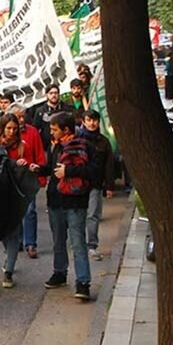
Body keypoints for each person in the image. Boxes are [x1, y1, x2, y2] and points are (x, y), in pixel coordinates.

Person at [29, 111, 95, 301]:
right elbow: (52, 168)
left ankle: (83, 282)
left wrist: (69, 170)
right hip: (56, 200)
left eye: (54, 129)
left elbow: (93, 172)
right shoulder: (56, 147)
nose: (51, 133)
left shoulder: (85, 146)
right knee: (58, 240)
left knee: (77, 242)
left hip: (75, 202)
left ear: (66, 129)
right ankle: (60, 272)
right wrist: (38, 169)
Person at [0, 114, 41, 289]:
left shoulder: (21, 147)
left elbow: (28, 170)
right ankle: (9, 258)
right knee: (1, 231)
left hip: (15, 194)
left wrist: (23, 165)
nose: (11, 132)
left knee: (14, 232)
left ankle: (9, 270)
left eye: (14, 129)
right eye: (8, 128)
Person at [7, 103, 46, 259]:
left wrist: (41, 175)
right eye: (18, 116)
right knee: (15, 210)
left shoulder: (32, 132)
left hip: (29, 177)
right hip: (12, 178)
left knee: (30, 211)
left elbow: (39, 153)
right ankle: (18, 241)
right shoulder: (6, 133)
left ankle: (31, 243)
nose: (21, 119)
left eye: (23, 115)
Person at [78, 109, 114, 261]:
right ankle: (78, 243)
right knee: (78, 215)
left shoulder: (104, 141)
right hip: (78, 182)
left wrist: (109, 186)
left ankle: (92, 245)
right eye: (89, 120)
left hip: (95, 183)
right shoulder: (77, 139)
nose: (92, 123)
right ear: (83, 122)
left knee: (93, 215)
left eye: (95, 120)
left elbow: (109, 164)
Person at [32, 84, 74, 150]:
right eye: (51, 93)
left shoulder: (67, 108)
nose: (54, 95)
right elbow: (35, 129)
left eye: (56, 93)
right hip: (47, 146)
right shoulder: (40, 111)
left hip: (66, 144)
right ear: (46, 95)